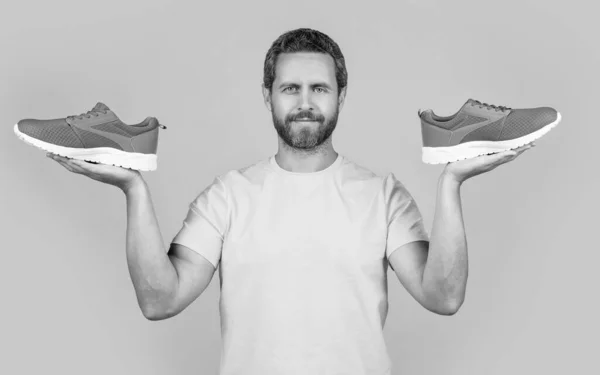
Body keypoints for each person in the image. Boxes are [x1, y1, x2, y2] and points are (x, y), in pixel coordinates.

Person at [48, 27, 533, 375]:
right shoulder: (227, 197)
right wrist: (133, 190)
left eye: (319, 88)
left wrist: (452, 185)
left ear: (341, 97)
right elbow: (159, 300)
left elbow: (443, 297)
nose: (305, 101)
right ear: (269, 96)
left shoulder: (383, 196)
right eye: (290, 88)